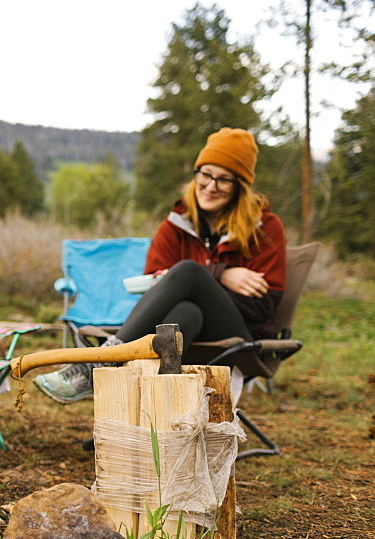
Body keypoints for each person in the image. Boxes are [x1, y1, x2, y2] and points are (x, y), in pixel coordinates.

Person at [35, 127, 287, 403]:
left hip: (239, 338)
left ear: (240, 186)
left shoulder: (265, 227)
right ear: (196, 174)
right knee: (185, 311)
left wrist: (206, 279)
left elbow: (264, 309)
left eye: (224, 179)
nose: (211, 186)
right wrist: (220, 276)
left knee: (189, 270)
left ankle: (98, 363)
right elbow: (154, 290)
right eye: (205, 174)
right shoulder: (176, 224)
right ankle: (153, 414)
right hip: (188, 327)